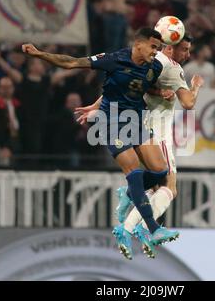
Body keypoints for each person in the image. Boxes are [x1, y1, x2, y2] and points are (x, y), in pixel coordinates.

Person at [22, 28, 179, 260]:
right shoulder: (114, 59)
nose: (156, 53)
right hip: (112, 121)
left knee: (160, 171)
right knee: (135, 173)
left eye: (158, 49)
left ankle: (129, 194)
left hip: (137, 120)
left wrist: (163, 91)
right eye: (153, 47)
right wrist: (39, 54)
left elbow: (142, 86)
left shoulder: (153, 67)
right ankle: (148, 228)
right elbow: (72, 63)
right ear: (138, 45)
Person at [76, 34, 204, 259]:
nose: (188, 55)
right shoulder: (171, 68)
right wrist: (195, 87)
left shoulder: (150, 63)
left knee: (153, 185)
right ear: (171, 48)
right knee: (168, 188)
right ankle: (135, 228)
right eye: (184, 49)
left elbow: (126, 86)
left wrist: (97, 105)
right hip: (155, 131)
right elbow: (188, 103)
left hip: (138, 126)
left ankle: (138, 219)